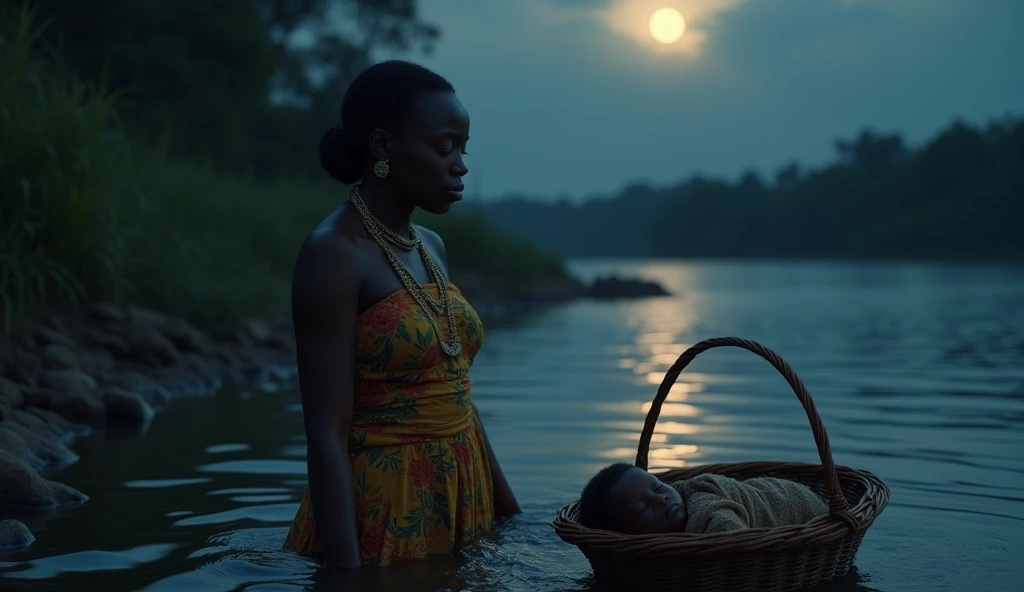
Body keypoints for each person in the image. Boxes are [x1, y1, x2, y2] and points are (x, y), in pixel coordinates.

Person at [282, 60, 521, 569]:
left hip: (464, 489)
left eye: (463, 148)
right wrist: (348, 577)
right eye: (443, 147)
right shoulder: (333, 253)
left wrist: (511, 515)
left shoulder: (430, 245)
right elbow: (325, 431)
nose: (460, 165)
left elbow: (454, 388)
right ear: (383, 147)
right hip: (387, 506)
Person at [577, 463, 828, 535]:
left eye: (659, 486)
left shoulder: (703, 506)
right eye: (643, 507)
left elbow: (732, 539)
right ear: (623, 536)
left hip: (796, 503)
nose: (661, 499)